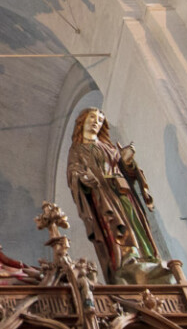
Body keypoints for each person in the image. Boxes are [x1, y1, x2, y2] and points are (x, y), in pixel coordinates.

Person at [65, 108, 173, 284]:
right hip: (102, 196)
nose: (96, 122)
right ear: (82, 121)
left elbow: (125, 169)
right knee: (114, 225)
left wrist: (128, 162)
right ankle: (127, 259)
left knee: (134, 223)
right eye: (92, 118)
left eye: (100, 120)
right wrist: (83, 177)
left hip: (122, 194)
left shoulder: (108, 147)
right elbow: (73, 172)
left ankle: (146, 257)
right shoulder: (77, 149)